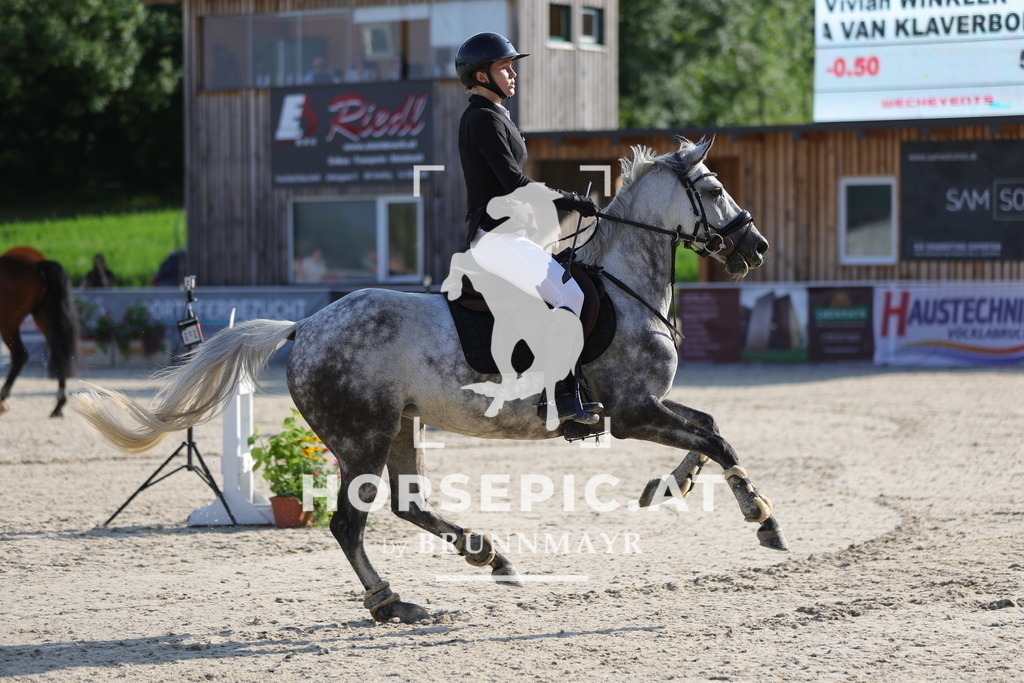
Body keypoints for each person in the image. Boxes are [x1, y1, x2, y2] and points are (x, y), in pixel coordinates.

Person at [454, 31, 602, 426]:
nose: (513, 73)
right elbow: (513, 183)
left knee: (568, 290)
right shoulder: (482, 119)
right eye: (505, 67)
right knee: (569, 294)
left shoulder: (495, 116)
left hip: (509, 236)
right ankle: (561, 395)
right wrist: (571, 199)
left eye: (512, 66)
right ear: (482, 76)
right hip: (495, 239)